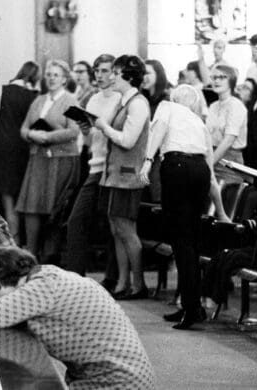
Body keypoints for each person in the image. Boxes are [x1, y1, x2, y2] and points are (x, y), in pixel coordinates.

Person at [0, 246, 156, 389]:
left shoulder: (42, 288)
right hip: (124, 374)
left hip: (116, 382)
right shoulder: (50, 275)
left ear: (3, 282)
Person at [140, 84, 228, 329]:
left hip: (177, 167)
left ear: (175, 98)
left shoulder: (167, 107)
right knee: (190, 240)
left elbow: (158, 129)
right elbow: (209, 168)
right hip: (198, 171)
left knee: (181, 241)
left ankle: (191, 308)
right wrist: (220, 210)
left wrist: (147, 161)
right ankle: (190, 304)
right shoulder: (199, 123)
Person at [94, 55, 150, 300]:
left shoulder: (138, 103)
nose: (112, 77)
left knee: (126, 230)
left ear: (128, 76)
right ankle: (122, 282)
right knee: (117, 229)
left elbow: (128, 140)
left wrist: (103, 127)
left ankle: (138, 284)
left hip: (127, 175)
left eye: (116, 73)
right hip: (115, 175)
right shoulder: (124, 100)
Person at [16, 59, 81, 260]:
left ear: (64, 79)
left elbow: (74, 131)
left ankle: (51, 256)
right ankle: (31, 253)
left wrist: (48, 137)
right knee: (32, 206)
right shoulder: (38, 100)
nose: (51, 78)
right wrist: (31, 135)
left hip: (61, 160)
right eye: (49, 75)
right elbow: (24, 127)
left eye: (56, 75)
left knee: (54, 210)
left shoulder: (71, 100)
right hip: (38, 158)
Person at [66, 54, 121, 281]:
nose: (99, 75)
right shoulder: (94, 99)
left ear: (115, 73)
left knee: (112, 226)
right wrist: (86, 130)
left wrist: (100, 126)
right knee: (75, 221)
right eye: (97, 70)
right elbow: (90, 142)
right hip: (95, 166)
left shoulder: (120, 99)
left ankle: (112, 278)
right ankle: (75, 278)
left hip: (113, 168)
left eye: (105, 71)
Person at [0, 62, 39, 243]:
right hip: (24, 151)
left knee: (8, 203)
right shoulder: (35, 95)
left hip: (3, 149)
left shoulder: (3, 90)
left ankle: (12, 242)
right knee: (24, 201)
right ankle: (22, 243)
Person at [206, 64, 247, 184]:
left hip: (230, 164)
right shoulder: (213, 106)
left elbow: (229, 140)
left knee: (226, 201)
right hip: (211, 157)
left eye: (222, 77)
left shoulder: (236, 105)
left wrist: (208, 163)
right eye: (213, 77)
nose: (216, 80)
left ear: (231, 80)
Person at [141, 59, 170, 203]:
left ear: (158, 75)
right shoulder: (142, 98)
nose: (144, 77)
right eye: (142, 74)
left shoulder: (166, 100)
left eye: (148, 73)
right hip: (143, 152)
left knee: (155, 198)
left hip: (158, 156)